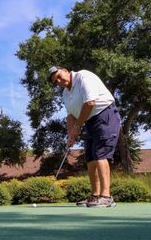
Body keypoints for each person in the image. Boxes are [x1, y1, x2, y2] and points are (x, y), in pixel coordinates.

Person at [48, 66, 121, 208]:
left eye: (58, 76)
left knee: (101, 154)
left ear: (65, 70)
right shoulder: (65, 93)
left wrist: (77, 127)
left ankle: (106, 197)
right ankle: (95, 196)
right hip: (89, 120)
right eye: (55, 81)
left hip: (105, 114)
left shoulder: (83, 77)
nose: (58, 81)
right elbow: (70, 115)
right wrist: (71, 134)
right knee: (91, 157)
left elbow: (90, 103)